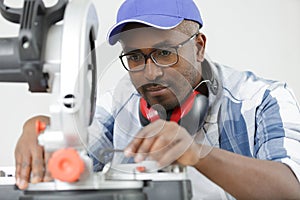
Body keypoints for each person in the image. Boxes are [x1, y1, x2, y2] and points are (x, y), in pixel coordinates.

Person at [14, 0, 300, 199]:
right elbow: (74, 159)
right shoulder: (118, 104)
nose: (150, 73)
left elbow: (291, 189)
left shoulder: (261, 100)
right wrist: (43, 133)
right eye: (135, 57)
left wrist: (196, 153)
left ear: (198, 47)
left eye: (165, 52)